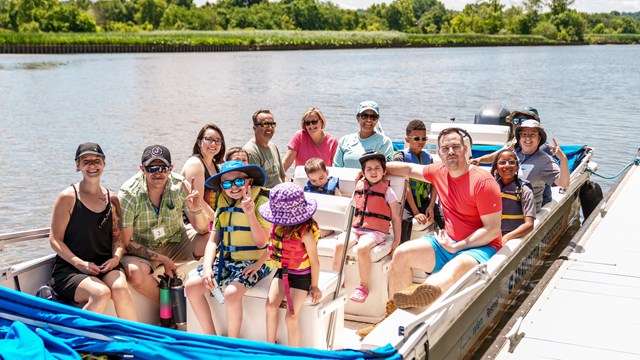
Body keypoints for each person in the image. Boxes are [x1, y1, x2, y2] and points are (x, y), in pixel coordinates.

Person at [358, 128, 503, 338]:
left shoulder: (483, 182)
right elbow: (407, 168)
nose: (451, 151)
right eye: (446, 148)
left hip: (480, 246)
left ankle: (423, 292)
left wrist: (459, 246)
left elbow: (492, 230)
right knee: (402, 254)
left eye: (456, 147)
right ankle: (392, 317)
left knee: (457, 266)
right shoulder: (438, 171)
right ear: (440, 153)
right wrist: (373, 170)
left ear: (465, 150)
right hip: (447, 242)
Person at [185, 160, 272, 337]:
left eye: (239, 181)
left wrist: (249, 213)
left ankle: (232, 343)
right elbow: (213, 240)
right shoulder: (223, 202)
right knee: (191, 286)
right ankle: (211, 338)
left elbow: (262, 242)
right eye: (226, 183)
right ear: (222, 187)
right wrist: (208, 267)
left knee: (232, 293)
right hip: (227, 260)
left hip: (256, 261)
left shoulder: (262, 201)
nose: (233, 187)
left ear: (249, 182)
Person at [49, 143, 136, 320]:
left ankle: (134, 341)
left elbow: (118, 239)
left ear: (104, 164)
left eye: (97, 161)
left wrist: (116, 258)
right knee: (101, 293)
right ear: (77, 165)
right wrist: (80, 263)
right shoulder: (68, 197)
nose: (92, 166)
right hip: (71, 269)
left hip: (105, 265)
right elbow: (54, 240)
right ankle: (79, 342)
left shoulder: (112, 198)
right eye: (86, 161)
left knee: (120, 288)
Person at [118, 145, 210, 303]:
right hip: (142, 248)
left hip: (176, 241)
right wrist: (164, 259)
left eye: (163, 168)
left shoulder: (180, 185)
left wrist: (196, 210)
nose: (158, 173)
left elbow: (202, 229)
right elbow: (126, 243)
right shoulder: (128, 194)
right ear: (142, 169)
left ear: (171, 168)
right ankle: (170, 306)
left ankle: (206, 292)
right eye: (152, 168)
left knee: (214, 240)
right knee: (134, 273)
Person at [258, 182, 322, 347]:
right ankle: (270, 346)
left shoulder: (306, 233)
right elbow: (272, 249)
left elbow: (315, 262)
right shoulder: (277, 227)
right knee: (270, 306)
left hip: (302, 277)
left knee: (291, 316)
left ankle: (294, 353)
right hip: (282, 272)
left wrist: (314, 286)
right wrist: (257, 264)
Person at [334, 151, 401, 304]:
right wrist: (343, 231)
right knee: (339, 245)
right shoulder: (359, 186)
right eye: (369, 168)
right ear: (363, 172)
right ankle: (338, 280)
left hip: (376, 231)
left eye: (377, 168)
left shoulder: (388, 191)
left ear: (384, 171)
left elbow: (396, 218)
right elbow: (351, 211)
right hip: (356, 229)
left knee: (362, 248)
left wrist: (397, 240)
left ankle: (363, 287)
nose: (373, 171)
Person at [393, 119, 443, 241]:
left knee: (444, 219)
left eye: (424, 139)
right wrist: (416, 212)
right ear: (407, 139)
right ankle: (401, 251)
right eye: (416, 139)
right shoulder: (400, 158)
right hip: (406, 202)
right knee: (404, 220)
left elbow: (434, 183)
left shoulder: (428, 158)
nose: (421, 142)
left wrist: (431, 205)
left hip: (425, 200)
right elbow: (405, 186)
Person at [514, 120, 569, 211]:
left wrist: (563, 159)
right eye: (524, 134)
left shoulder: (545, 161)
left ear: (539, 138)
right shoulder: (512, 154)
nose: (527, 138)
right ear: (519, 137)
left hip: (528, 213)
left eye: (532, 135)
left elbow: (564, 183)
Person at [181, 123, 226, 221]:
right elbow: (199, 201)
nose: (213, 144)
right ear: (199, 142)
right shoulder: (195, 164)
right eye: (209, 139)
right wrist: (219, 223)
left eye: (217, 141)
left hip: (212, 219)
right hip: (194, 222)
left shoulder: (217, 165)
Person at [333, 101, 394, 169]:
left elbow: (385, 169)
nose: (369, 120)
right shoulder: (344, 140)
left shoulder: (385, 142)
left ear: (377, 119)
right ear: (358, 117)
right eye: (364, 116)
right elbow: (336, 168)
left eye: (373, 117)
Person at [469, 107, 540, 165]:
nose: (518, 123)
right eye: (516, 120)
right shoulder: (514, 141)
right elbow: (498, 155)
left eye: (523, 120)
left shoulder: (541, 147)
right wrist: (479, 159)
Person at [491, 150, 535, 242]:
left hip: (512, 236)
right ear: (496, 167)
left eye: (511, 162)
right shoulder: (489, 187)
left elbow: (529, 225)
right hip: (491, 234)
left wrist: (506, 237)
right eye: (502, 162)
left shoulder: (525, 190)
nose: (507, 165)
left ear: (517, 167)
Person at [282, 107, 338, 172]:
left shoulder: (333, 142)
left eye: (314, 122)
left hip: (322, 181)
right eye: (307, 123)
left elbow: (334, 169)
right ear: (304, 125)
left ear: (321, 122)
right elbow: (286, 162)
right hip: (300, 179)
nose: (311, 125)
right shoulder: (299, 136)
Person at [243, 109, 286, 188]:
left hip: (280, 192)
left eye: (272, 124)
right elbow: (255, 186)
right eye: (265, 124)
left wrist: (289, 188)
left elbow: (283, 176)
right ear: (254, 128)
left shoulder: (273, 146)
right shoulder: (251, 151)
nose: (270, 127)